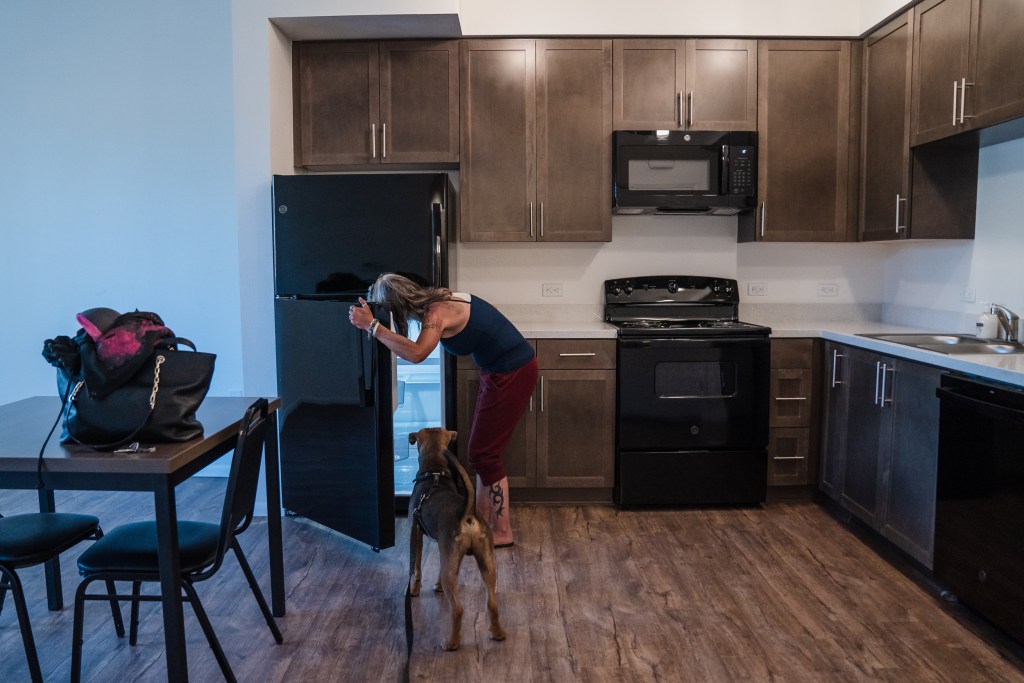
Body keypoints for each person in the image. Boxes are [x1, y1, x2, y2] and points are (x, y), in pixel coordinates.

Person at [348, 273, 537, 547]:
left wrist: (373, 326)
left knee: (485, 455)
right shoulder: (439, 298)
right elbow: (487, 316)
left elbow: (417, 354)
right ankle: (481, 522)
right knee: (481, 454)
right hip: (498, 369)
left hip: (512, 371)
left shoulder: (435, 313)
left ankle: (502, 531)